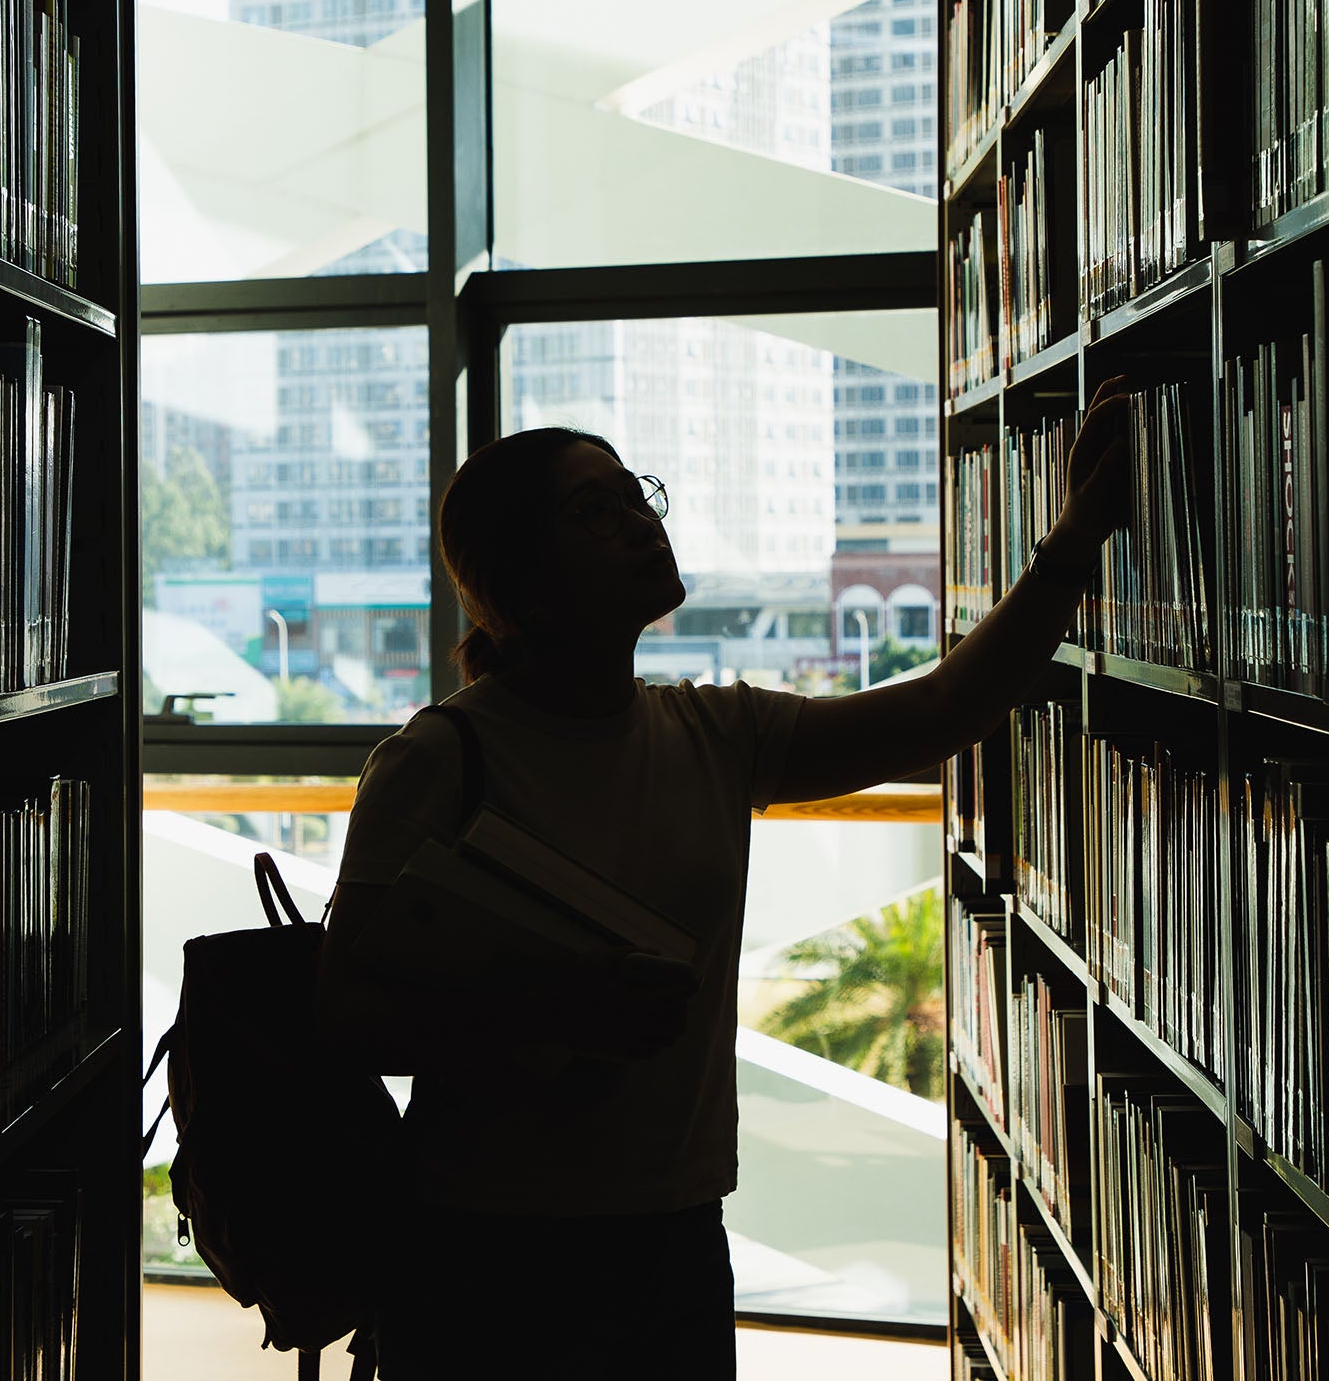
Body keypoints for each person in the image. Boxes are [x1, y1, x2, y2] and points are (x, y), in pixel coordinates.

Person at [315, 376, 1141, 1378]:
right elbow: (349, 1015)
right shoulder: (439, 758)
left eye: (635, 496)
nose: (638, 525)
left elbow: (941, 712)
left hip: (672, 1233)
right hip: (482, 1245)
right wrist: (554, 1011)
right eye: (592, 512)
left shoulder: (711, 734)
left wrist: (1074, 540)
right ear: (517, 581)